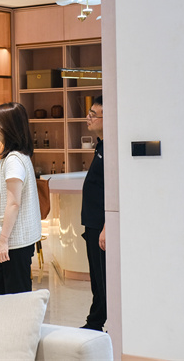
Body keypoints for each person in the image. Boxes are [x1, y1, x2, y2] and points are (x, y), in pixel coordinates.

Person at [0, 102, 41, 295]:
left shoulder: (13, 161)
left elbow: (13, 203)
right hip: (15, 242)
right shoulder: (19, 157)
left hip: (13, 243)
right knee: (5, 296)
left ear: (8, 127)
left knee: (13, 298)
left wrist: (3, 241)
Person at [81, 95, 106, 331]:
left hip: (101, 225)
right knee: (97, 279)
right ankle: (95, 322)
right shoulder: (100, 145)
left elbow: (113, 190)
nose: (88, 118)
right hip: (92, 223)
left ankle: (100, 323)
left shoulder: (111, 148)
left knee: (104, 278)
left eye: (93, 115)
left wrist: (107, 227)